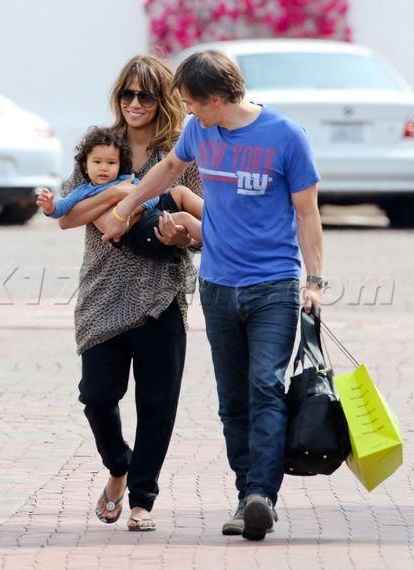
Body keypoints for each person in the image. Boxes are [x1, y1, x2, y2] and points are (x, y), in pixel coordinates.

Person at [100, 50, 325, 541]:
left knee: (265, 387)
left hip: (273, 286)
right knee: (232, 401)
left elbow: (307, 213)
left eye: (190, 102)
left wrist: (315, 281)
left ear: (217, 99)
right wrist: (128, 205)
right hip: (218, 286)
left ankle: (261, 494)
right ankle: (247, 496)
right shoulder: (200, 131)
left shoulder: (287, 137)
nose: (185, 110)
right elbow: (169, 169)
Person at [56, 55, 202, 531]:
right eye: (127, 93)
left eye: (145, 95)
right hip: (103, 293)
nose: (134, 103)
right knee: (96, 396)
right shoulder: (101, 146)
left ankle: (142, 500)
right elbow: (66, 215)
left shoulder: (183, 154)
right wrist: (121, 198)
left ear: (163, 99)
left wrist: (181, 235)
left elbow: (208, 227)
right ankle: (118, 465)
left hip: (162, 294)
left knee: (157, 405)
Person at [37, 126, 203, 254]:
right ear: (85, 166)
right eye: (97, 162)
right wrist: (49, 207)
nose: (103, 168)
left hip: (149, 213)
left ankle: (215, 218)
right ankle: (215, 238)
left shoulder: (126, 180)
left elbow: (153, 197)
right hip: (138, 231)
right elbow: (62, 210)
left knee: (181, 192)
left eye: (111, 163)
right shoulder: (83, 191)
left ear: (119, 165)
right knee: (184, 218)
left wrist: (126, 211)